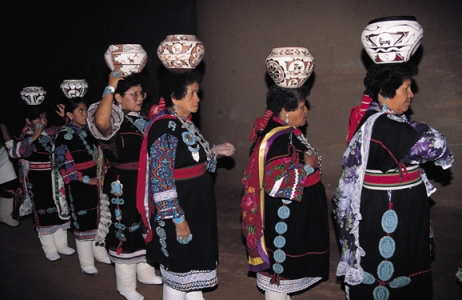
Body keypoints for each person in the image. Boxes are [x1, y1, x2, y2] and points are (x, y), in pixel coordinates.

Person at [332, 62, 454, 299]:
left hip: (397, 203)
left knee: (405, 262)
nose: (411, 94)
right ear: (387, 92)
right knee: (391, 266)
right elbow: (436, 146)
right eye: (406, 88)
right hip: (387, 206)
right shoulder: (384, 125)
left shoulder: (382, 118)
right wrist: (420, 128)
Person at [137, 71, 235, 300]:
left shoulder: (184, 124)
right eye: (192, 94)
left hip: (197, 203)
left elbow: (189, 159)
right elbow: (161, 178)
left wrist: (215, 151)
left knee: (193, 258)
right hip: (179, 206)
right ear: (174, 97)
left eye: (197, 93)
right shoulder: (163, 128)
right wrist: (177, 218)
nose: (197, 98)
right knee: (178, 262)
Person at [241, 84, 330, 300]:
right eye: (301, 106)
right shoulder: (280, 139)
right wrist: (308, 167)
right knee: (278, 275)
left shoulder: (288, 132)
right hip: (285, 218)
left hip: (293, 214)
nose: (306, 110)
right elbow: (275, 183)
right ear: (285, 111)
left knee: (284, 276)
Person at [87, 72, 162, 300]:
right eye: (134, 94)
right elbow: (100, 122)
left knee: (145, 225)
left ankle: (146, 272)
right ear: (118, 98)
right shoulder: (114, 121)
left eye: (142, 93)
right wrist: (110, 86)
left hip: (144, 180)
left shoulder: (143, 121)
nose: (140, 98)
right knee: (125, 228)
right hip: (122, 182)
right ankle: (126, 285)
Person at [7, 103, 77, 261]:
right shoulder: (25, 136)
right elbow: (15, 152)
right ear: (28, 120)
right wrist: (34, 135)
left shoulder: (50, 132)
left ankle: (61, 244)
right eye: (38, 118)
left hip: (54, 177)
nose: (43, 121)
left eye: (44, 118)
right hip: (37, 180)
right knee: (43, 210)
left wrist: (65, 117)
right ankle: (49, 248)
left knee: (59, 207)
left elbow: (66, 131)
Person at [54, 97, 111, 274]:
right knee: (83, 220)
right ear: (69, 115)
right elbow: (64, 165)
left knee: (98, 216)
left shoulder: (89, 131)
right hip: (79, 184)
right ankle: (86, 261)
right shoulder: (63, 136)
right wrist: (87, 180)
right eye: (80, 111)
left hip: (96, 179)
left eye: (86, 110)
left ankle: (99, 251)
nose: (85, 114)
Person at [0, 123, 20, 227]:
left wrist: (15, 149)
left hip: (2, 157)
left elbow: (8, 142)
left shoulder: (2, 125)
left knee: (11, 185)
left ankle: (5, 216)